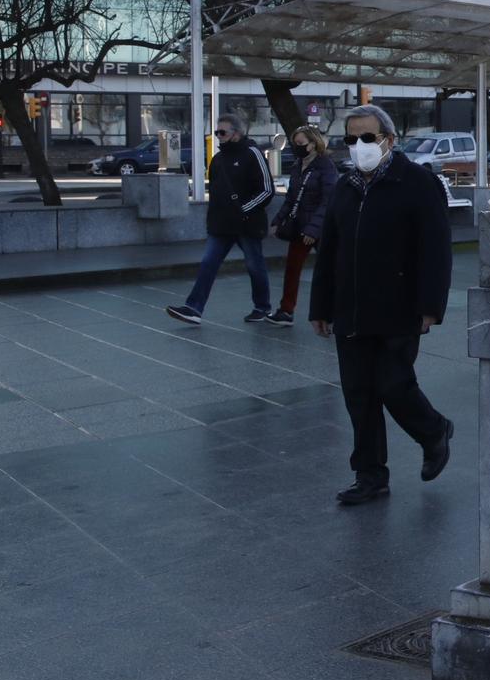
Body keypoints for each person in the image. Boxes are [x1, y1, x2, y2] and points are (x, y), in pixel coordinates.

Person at [310, 104, 454, 506]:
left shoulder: (418, 183)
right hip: (351, 309)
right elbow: (329, 251)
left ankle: (434, 431)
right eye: (351, 139)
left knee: (393, 384)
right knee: (359, 393)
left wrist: (430, 305)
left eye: (367, 138)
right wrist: (320, 307)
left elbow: (436, 250)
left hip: (399, 306)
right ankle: (369, 475)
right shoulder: (345, 185)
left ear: (389, 140)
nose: (359, 146)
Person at [166, 113, 274, 326]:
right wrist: (212, 221)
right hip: (221, 225)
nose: (218, 136)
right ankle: (193, 308)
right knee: (208, 263)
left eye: (222, 132)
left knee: (255, 266)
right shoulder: (218, 159)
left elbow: (267, 190)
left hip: (247, 224)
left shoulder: (253, 153)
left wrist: (244, 209)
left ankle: (262, 307)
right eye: (216, 132)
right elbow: (215, 192)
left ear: (236, 133)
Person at [268, 125, 338, 328]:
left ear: (314, 144)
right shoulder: (297, 165)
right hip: (300, 225)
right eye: (295, 143)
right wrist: (278, 220)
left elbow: (328, 200)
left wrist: (313, 229)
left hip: (320, 228)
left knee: (329, 271)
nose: (297, 147)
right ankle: (286, 311)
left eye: (301, 144)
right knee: (292, 269)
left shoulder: (326, 166)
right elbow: (291, 198)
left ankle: (334, 311)